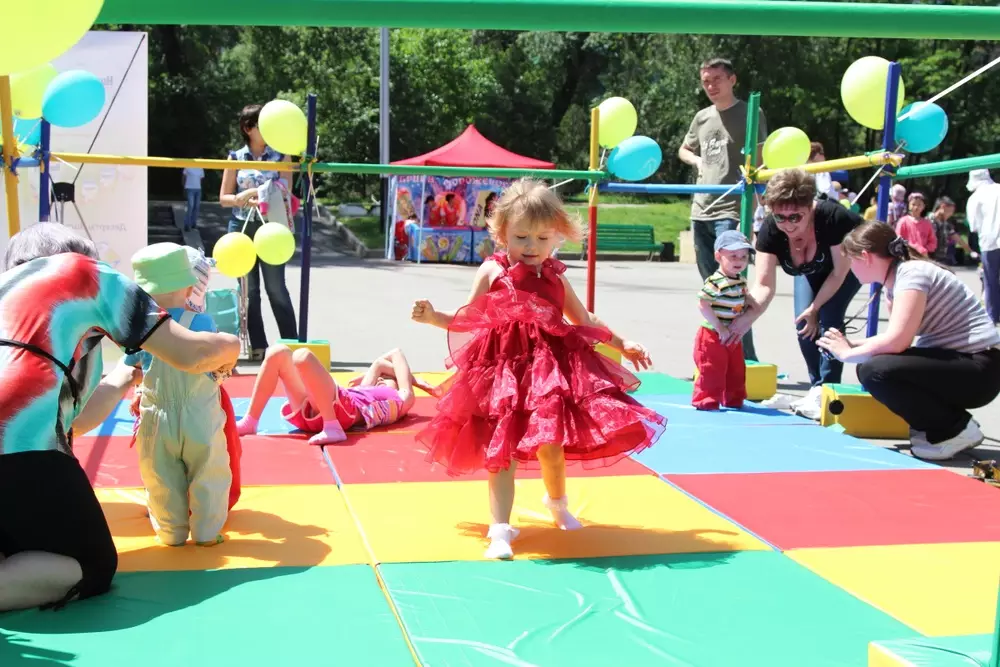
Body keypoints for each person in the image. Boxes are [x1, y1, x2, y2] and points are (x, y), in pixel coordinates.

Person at [411, 179, 666, 560]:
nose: (532, 246)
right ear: (502, 234)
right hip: (504, 372)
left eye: (542, 238)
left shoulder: (555, 277)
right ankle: (500, 529)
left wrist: (622, 343)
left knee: (551, 448)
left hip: (548, 373)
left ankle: (557, 503)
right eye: (521, 237)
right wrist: (434, 317)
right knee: (503, 450)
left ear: (557, 236)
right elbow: (468, 317)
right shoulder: (493, 271)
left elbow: (584, 319)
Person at [0, 223, 240, 612]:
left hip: (18, 444)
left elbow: (75, 421)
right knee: (91, 566)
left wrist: (125, 378)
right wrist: (229, 346)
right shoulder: (83, 272)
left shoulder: (8, 294)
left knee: (18, 546)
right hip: (16, 438)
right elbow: (191, 353)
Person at [817, 221, 1000, 460]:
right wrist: (852, 344)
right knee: (873, 366)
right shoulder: (898, 278)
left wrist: (846, 354)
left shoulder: (912, 274)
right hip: (970, 365)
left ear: (865, 257)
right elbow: (895, 339)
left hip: (980, 370)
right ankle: (948, 424)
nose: (850, 267)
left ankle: (954, 429)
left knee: (874, 370)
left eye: (851, 260)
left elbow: (897, 342)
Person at [726, 168, 863, 420]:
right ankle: (816, 388)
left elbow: (839, 273)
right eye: (780, 217)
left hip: (848, 268)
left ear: (810, 208)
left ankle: (828, 389)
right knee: (803, 323)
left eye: (795, 217)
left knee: (828, 318)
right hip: (811, 270)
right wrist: (743, 318)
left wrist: (815, 308)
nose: (787, 224)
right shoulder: (770, 230)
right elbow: (764, 284)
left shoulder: (833, 217)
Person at [125, 243, 233, 547]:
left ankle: (171, 532)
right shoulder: (202, 322)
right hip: (199, 411)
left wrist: (138, 390)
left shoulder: (140, 329)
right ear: (188, 288)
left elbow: (133, 367)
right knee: (209, 469)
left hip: (156, 413)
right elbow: (215, 360)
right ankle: (207, 531)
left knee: (159, 474)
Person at [678, 57, 767, 361]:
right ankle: (718, 353)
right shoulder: (702, 117)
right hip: (701, 207)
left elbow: (759, 161)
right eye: (705, 81)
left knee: (733, 288)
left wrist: (753, 207)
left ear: (732, 79)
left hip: (731, 209)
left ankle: (746, 357)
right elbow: (684, 149)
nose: (711, 86)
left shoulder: (750, 113)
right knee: (713, 287)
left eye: (716, 79)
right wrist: (696, 160)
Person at [220, 103, 298, 361]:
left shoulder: (282, 156)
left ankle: (291, 343)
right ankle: (258, 346)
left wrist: (257, 193)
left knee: (276, 288)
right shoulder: (235, 157)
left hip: (272, 227)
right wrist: (241, 198)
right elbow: (224, 197)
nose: (269, 129)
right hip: (242, 226)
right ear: (248, 128)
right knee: (249, 291)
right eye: (262, 125)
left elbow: (286, 191)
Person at [235, 346, 416, 445]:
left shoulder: (401, 398)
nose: (382, 380)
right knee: (277, 353)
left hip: (337, 413)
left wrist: (410, 379)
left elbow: (396, 353)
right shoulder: (366, 388)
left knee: (302, 357)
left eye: (388, 378)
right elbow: (379, 364)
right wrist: (404, 377)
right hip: (313, 411)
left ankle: (332, 427)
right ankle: (250, 421)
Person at [693, 230, 756, 410]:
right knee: (711, 368)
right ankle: (706, 399)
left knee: (736, 368)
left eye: (744, 257)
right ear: (718, 256)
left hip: (732, 332)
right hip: (713, 332)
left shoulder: (740, 280)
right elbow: (703, 304)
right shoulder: (715, 281)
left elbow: (744, 297)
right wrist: (719, 327)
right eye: (733, 256)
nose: (739, 261)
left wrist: (752, 304)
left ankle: (733, 398)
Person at [967, 169, 1000, 323]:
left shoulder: (974, 198)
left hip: (989, 242)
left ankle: (993, 316)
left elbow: (973, 226)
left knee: (990, 280)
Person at [894, 192, 937, 257]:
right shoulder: (903, 221)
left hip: (922, 256)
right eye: (913, 204)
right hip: (906, 255)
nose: (916, 207)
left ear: (923, 206)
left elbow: (933, 241)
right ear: (909, 205)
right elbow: (898, 239)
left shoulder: (927, 223)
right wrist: (911, 248)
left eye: (919, 205)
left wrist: (925, 249)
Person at [182, 166, 205, 231]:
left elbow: (201, 179)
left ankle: (193, 223)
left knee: (196, 206)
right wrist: (184, 187)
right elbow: (184, 177)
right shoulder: (188, 167)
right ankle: (187, 224)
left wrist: (200, 188)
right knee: (190, 206)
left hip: (198, 189)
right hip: (189, 188)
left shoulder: (200, 168)